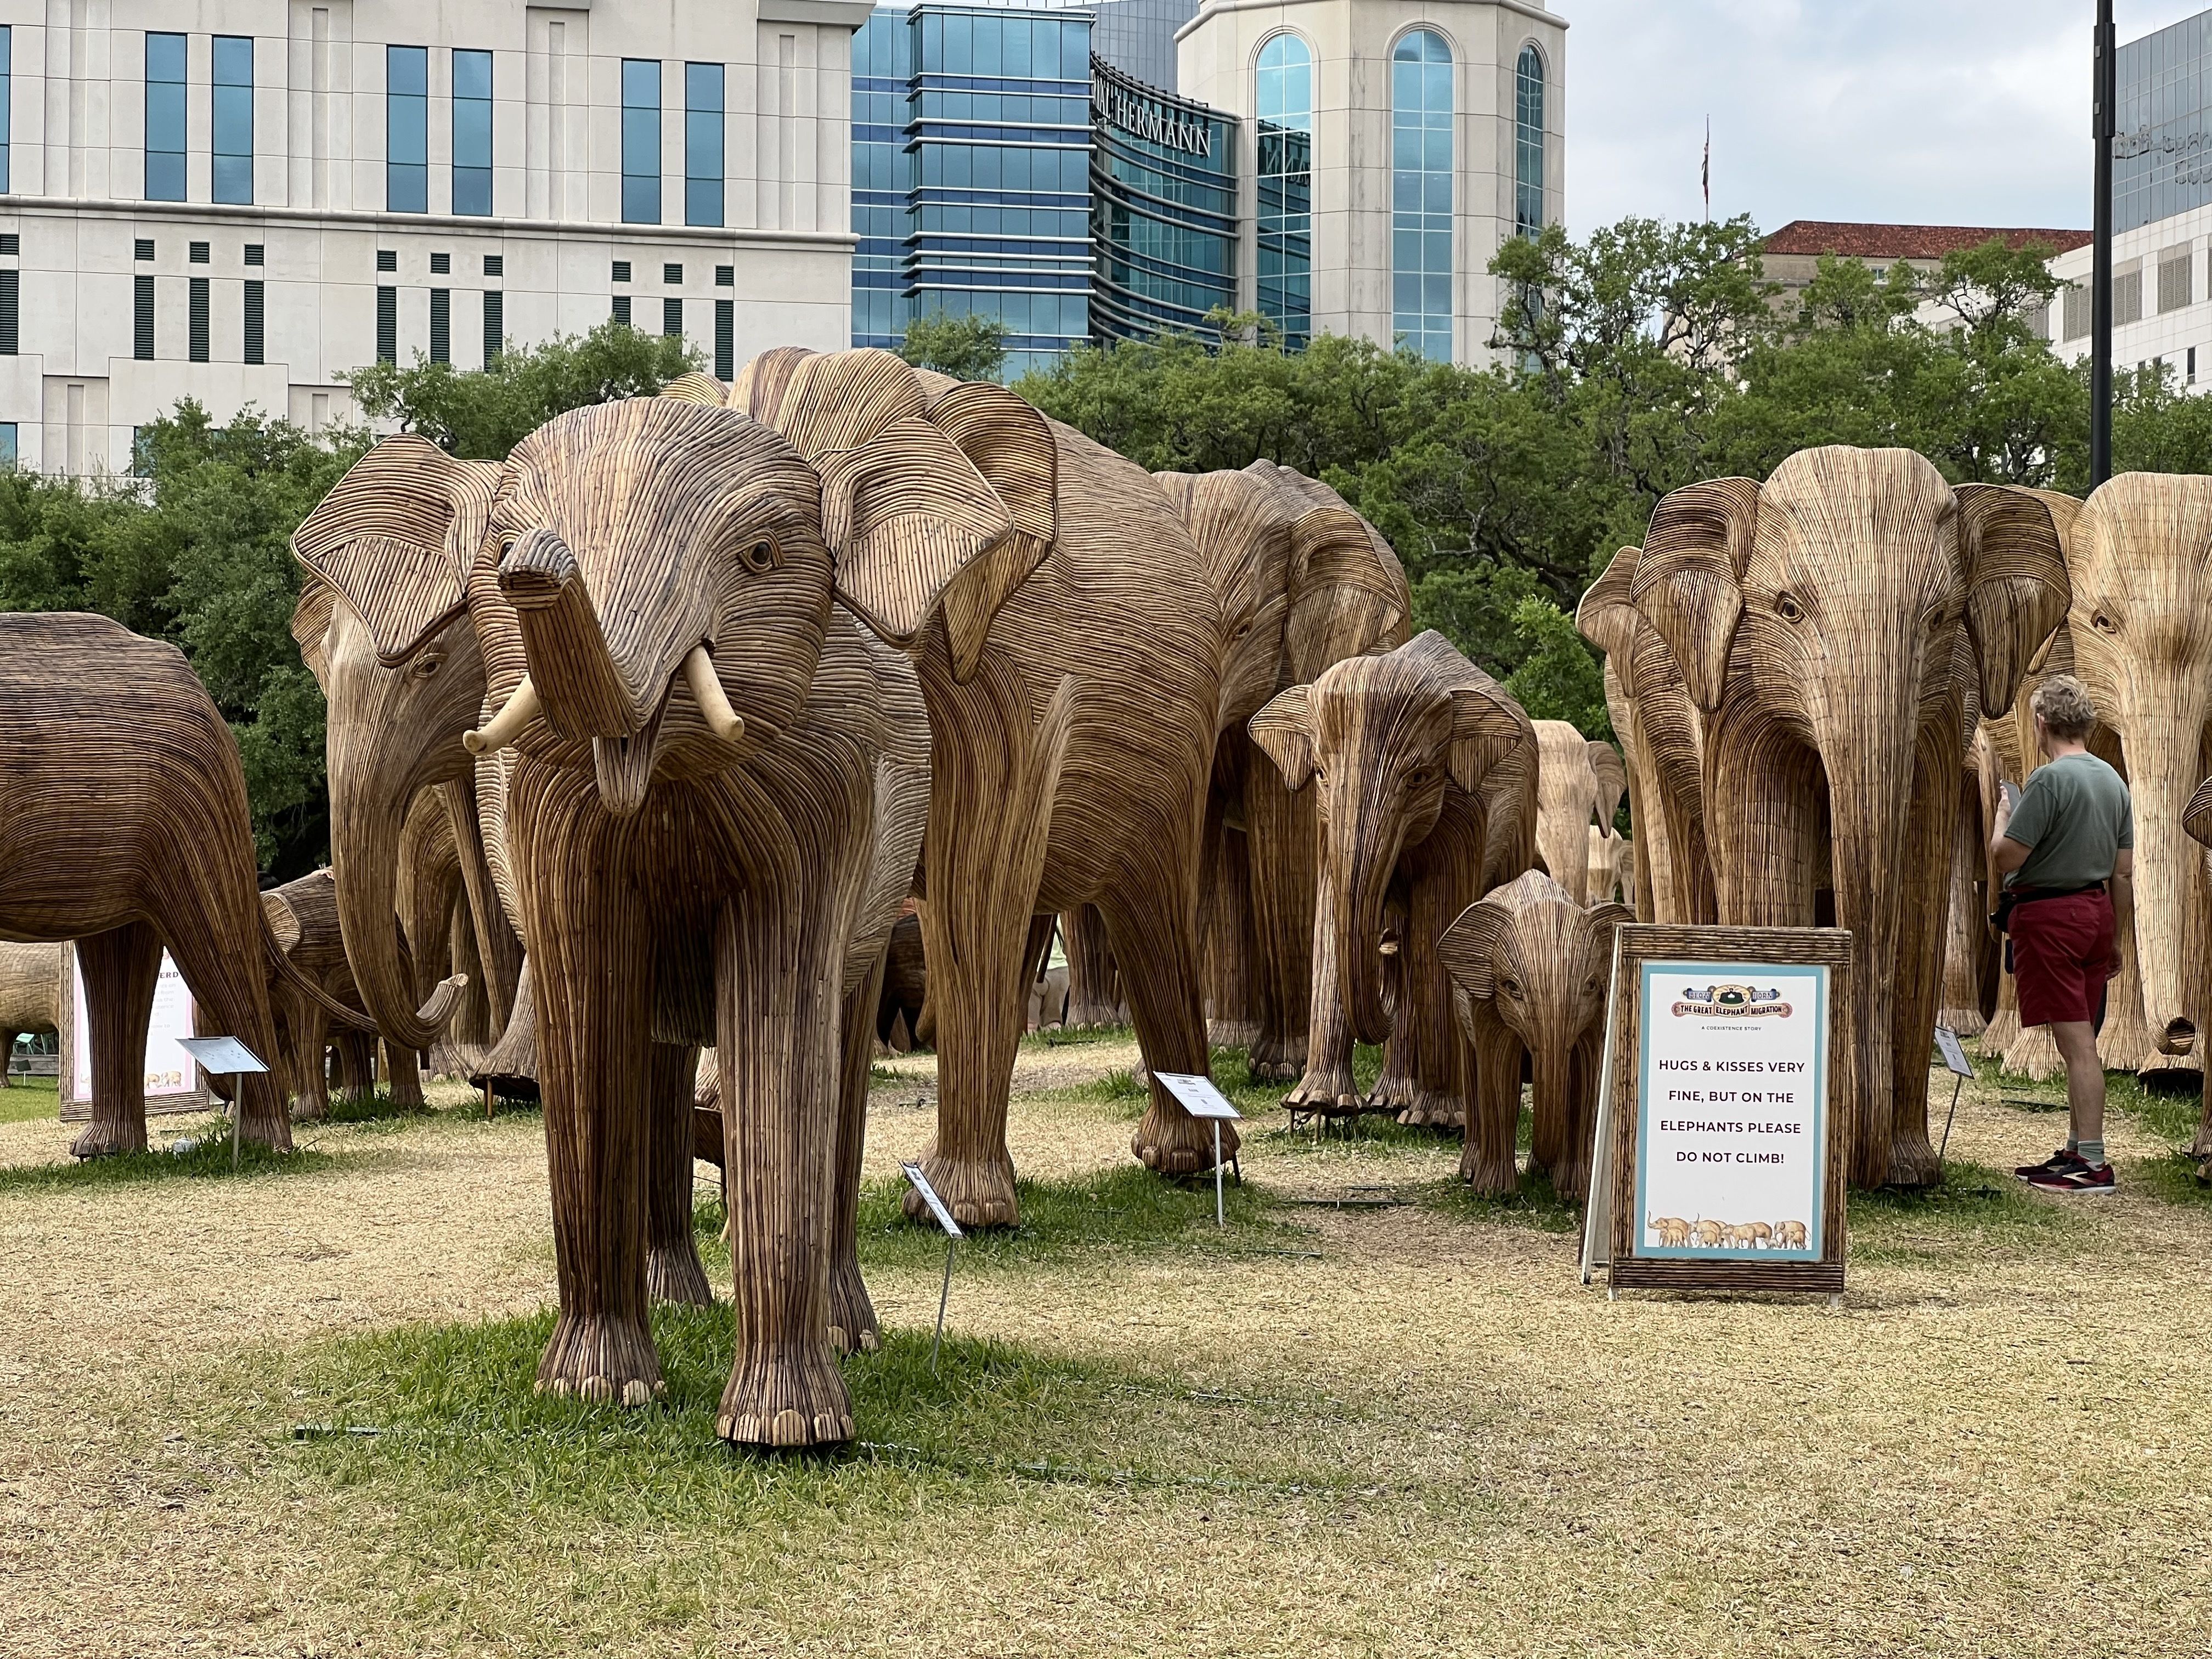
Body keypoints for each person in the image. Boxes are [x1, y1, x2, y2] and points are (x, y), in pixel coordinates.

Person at [1990, 673, 2134, 1194]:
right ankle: (2075, 1148)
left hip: (2051, 917)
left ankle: (2093, 1163)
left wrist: (2002, 819)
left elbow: (2009, 856)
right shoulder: (2113, 781)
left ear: (2041, 722)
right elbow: (2122, 872)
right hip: (2096, 913)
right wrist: (2114, 935)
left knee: (2077, 1045)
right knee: (2085, 1037)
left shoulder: (2049, 780)